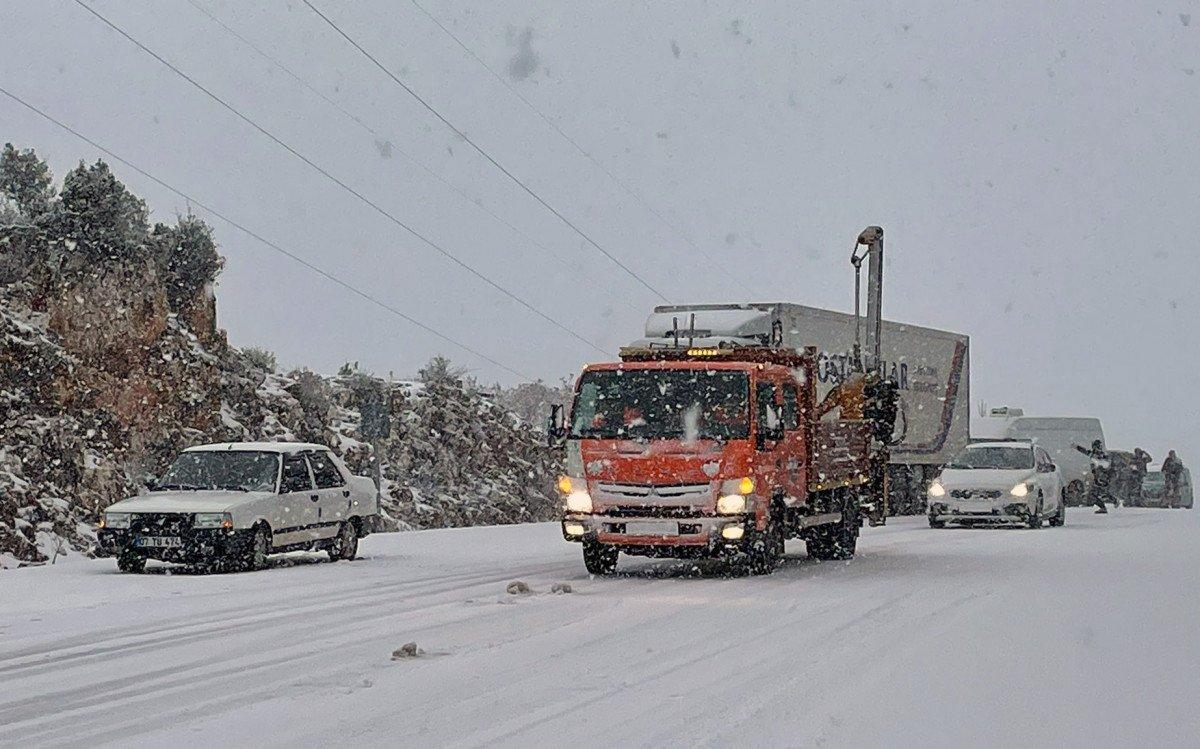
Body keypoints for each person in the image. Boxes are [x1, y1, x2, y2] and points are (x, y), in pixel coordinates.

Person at [1075, 440, 1113, 513]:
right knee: (1098, 493)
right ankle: (1111, 501)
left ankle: (1105, 505)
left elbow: (1106, 465)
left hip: (1101, 477)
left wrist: (1101, 472)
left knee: (1093, 494)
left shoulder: (1101, 456)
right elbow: (1085, 451)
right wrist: (1077, 447)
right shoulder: (1093, 454)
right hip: (1096, 477)